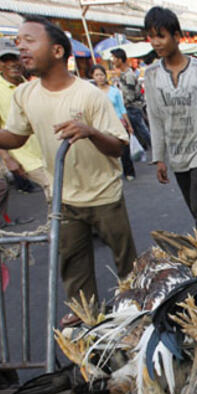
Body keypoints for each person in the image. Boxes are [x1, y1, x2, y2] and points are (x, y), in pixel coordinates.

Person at [0, 16, 137, 326]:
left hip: (105, 196)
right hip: (63, 199)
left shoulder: (88, 94)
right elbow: (17, 136)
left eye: (29, 40)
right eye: (18, 40)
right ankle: (89, 324)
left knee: (128, 265)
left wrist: (89, 131)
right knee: (73, 269)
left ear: (58, 51)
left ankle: (136, 315)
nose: (20, 46)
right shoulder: (25, 95)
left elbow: (117, 146)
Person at [143, 6, 197, 241]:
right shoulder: (151, 75)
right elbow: (155, 117)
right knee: (195, 208)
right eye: (151, 37)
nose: (156, 42)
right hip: (177, 153)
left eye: (160, 36)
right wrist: (159, 158)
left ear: (177, 36)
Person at [0, 37, 50, 201]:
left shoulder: (32, 87)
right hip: (27, 158)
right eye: (5, 60)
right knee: (56, 191)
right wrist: (7, 159)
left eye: (15, 58)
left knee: (61, 196)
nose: (12, 64)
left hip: (49, 150)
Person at [90, 64, 135, 181]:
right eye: (96, 75)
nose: (99, 77)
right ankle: (113, 173)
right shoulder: (92, 94)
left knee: (125, 150)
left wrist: (129, 125)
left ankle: (129, 172)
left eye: (101, 75)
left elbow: (122, 109)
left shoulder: (114, 91)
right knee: (107, 151)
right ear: (93, 77)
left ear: (105, 76)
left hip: (119, 122)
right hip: (103, 125)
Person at [111, 48, 151, 150]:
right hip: (130, 107)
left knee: (141, 129)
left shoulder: (128, 75)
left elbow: (130, 96)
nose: (112, 60)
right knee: (138, 130)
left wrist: (122, 103)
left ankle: (155, 150)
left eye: (114, 58)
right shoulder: (124, 74)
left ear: (120, 59)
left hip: (133, 107)